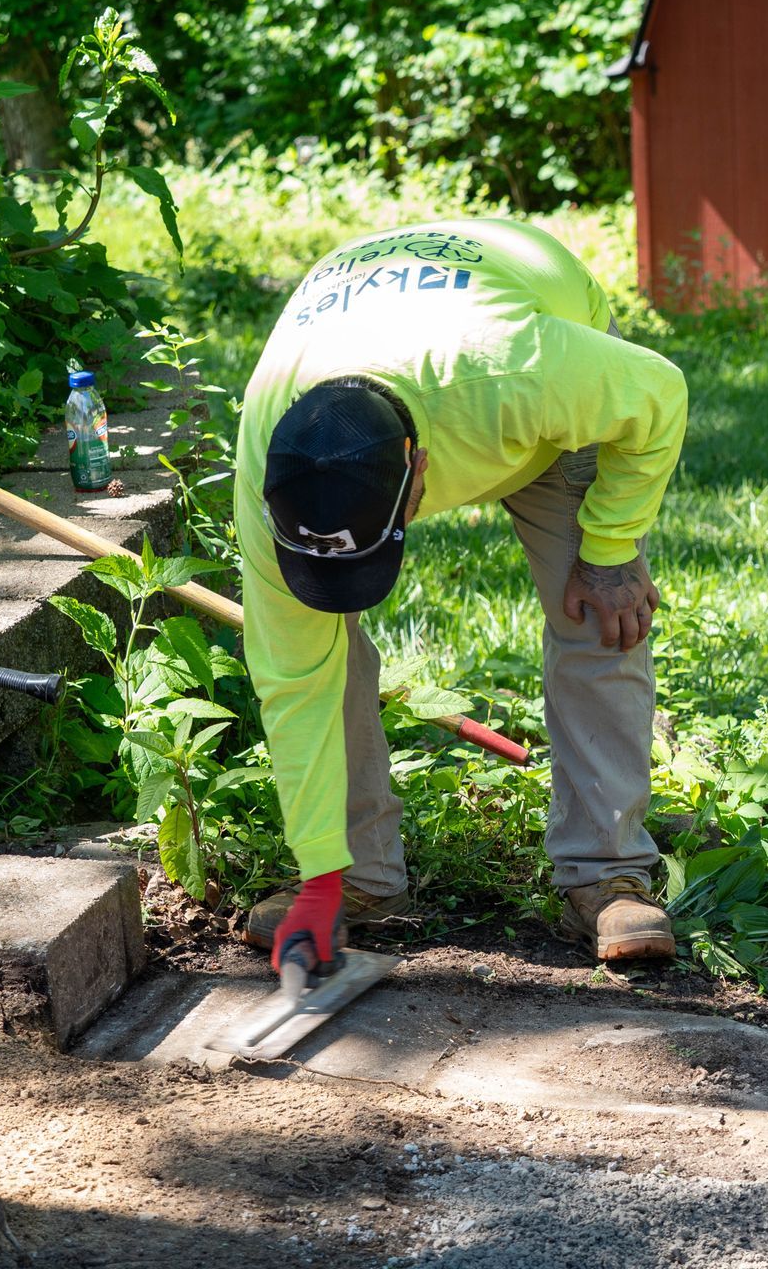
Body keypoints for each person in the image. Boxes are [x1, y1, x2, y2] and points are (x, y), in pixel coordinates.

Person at [232, 218, 688, 971]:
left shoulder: (524, 368)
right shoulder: (269, 469)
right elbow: (292, 679)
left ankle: (609, 877)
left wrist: (609, 551)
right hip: (406, 367)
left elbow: (657, 393)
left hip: (518, 362)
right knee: (314, 642)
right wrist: (315, 873)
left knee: (601, 612)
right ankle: (355, 875)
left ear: (419, 478)